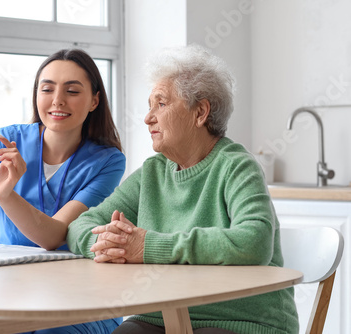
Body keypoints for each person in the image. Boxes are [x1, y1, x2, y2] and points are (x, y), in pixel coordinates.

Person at [66, 44, 299, 334]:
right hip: (159, 316)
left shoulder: (237, 166)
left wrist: (148, 246)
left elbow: (254, 242)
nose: (148, 117)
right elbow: (79, 226)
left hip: (241, 320)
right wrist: (110, 246)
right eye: (149, 105)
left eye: (161, 104)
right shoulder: (152, 172)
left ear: (200, 112)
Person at [0, 48, 125, 333]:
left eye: (72, 91)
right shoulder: (6, 143)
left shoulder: (108, 161)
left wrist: (5, 196)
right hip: (10, 294)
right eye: (47, 89)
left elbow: (53, 237)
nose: (57, 101)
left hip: (79, 298)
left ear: (94, 101)